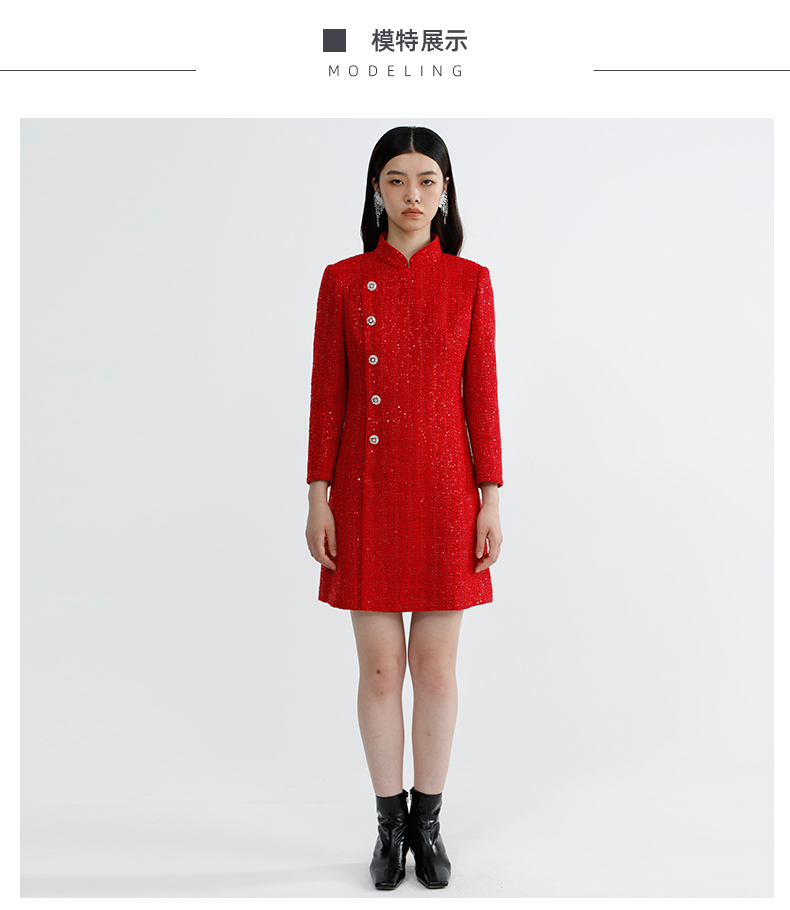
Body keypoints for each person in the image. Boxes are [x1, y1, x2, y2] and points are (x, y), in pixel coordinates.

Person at [305, 125, 504, 890]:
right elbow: (329, 394)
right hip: (365, 490)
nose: (412, 195)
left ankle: (430, 822)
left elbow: (481, 398)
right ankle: (390, 825)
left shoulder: (471, 281)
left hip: (449, 492)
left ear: (445, 191)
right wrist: (317, 495)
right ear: (376, 190)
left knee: (436, 667)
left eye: (426, 180)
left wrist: (490, 498)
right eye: (396, 180)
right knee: (382, 668)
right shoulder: (344, 280)